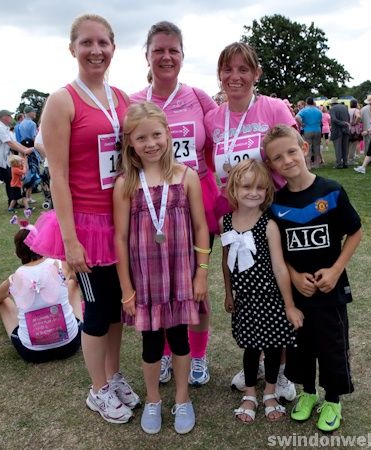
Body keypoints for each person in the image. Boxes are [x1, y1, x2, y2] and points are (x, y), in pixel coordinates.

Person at [24, 14, 139, 424]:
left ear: (113, 47)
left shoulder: (122, 98)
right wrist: (70, 241)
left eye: (103, 43)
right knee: (94, 310)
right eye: (87, 43)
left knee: (115, 309)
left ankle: (112, 375)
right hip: (85, 224)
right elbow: (57, 174)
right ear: (72, 48)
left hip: (120, 222)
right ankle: (97, 391)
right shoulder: (62, 100)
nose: (96, 51)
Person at [204, 42, 297, 402]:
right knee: (248, 289)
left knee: (277, 290)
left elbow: (291, 154)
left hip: (275, 215)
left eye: (244, 69)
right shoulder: (214, 117)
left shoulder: (272, 107)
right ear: (220, 75)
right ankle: (257, 362)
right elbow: (213, 165)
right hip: (238, 218)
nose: (235, 77)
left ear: (256, 73)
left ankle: (284, 370)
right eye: (228, 70)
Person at [130, 20, 219, 387]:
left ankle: (197, 356)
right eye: (158, 50)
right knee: (157, 287)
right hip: (148, 209)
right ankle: (165, 355)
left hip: (193, 203)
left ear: (182, 55)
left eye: (173, 50)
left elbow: (219, 142)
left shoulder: (199, 97)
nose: (166, 57)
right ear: (147, 56)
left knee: (194, 289)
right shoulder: (133, 101)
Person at [114, 102, 210, 434]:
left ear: (168, 134)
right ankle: (153, 399)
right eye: (141, 138)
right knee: (152, 343)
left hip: (181, 276)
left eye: (157, 134)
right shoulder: (125, 183)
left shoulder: (187, 176)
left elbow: (200, 227)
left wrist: (201, 271)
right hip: (146, 282)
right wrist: (126, 289)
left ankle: (182, 398)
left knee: (180, 340)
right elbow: (121, 237)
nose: (151, 143)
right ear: (130, 142)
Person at [264, 125, 362, 432]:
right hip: (299, 294)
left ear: (304, 148)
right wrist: (293, 276)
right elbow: (279, 252)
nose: (287, 160)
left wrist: (335, 270)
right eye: (278, 157)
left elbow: (355, 231)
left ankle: (332, 399)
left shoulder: (330, 190)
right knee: (300, 347)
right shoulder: (276, 204)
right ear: (271, 165)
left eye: (291, 151)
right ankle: (307, 393)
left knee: (332, 346)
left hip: (330, 291)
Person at [220, 159, 303, 424]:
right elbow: (226, 262)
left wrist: (289, 305)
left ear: (267, 192)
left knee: (272, 345)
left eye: (259, 188)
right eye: (246, 187)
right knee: (250, 347)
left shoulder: (268, 224)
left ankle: (269, 392)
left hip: (270, 299)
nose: (253, 192)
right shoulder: (225, 222)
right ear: (234, 189)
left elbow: (279, 267)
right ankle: (249, 393)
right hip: (244, 299)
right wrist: (228, 293)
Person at [0, 220, 82, 363]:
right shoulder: (59, 265)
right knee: (72, 283)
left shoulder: (13, 279)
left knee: (2, 300)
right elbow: (79, 279)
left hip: (32, 353)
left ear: (18, 253)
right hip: (69, 345)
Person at [0, 110, 33, 212]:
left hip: (3, 161)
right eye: (9, 115)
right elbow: (10, 143)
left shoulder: (5, 129)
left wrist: (25, 148)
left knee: (10, 181)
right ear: (4, 117)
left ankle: (12, 203)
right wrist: (24, 150)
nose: (11, 117)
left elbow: (14, 142)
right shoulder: (0, 129)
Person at [295, 97, 322, 168]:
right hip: (317, 130)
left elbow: (297, 117)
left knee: (308, 147)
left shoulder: (304, 110)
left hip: (307, 130)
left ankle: (308, 165)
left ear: (306, 102)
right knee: (317, 147)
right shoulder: (318, 111)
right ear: (313, 102)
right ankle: (317, 164)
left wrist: (302, 123)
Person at [354, 100, 371, 174]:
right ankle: (363, 167)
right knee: (369, 152)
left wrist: (367, 131)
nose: (370, 109)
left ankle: (363, 167)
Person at [329, 97, 350, 168]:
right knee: (345, 147)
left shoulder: (332, 109)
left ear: (331, 104)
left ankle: (339, 164)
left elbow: (334, 119)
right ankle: (345, 163)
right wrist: (346, 124)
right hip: (346, 130)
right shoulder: (345, 107)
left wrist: (343, 123)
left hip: (337, 130)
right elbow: (348, 117)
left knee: (338, 148)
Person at [360, 94, 371, 162]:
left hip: (367, 129)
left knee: (367, 145)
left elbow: (361, 120)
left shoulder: (363, 109)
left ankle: (368, 160)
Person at [347, 99, 361, 165]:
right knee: (353, 145)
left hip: (348, 128)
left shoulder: (348, 110)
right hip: (354, 130)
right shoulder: (356, 110)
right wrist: (355, 122)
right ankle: (351, 160)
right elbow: (358, 116)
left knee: (348, 145)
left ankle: (346, 158)